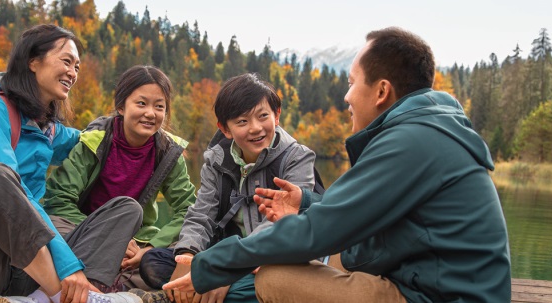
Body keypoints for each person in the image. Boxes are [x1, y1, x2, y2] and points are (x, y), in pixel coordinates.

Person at [163, 27, 511, 302]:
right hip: (439, 279)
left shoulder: (410, 142)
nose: (346, 96)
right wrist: (309, 202)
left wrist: (208, 266)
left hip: (441, 296)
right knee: (332, 256)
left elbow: (316, 232)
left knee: (274, 278)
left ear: (381, 92)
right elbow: (353, 215)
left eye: (351, 82)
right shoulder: (423, 130)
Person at [0, 24, 142, 303]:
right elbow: (5, 192)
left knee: (126, 209)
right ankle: (61, 295)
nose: (73, 72)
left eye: (77, 67)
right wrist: (68, 265)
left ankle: (70, 294)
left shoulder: (46, 130)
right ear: (33, 61)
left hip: (25, 271)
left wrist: (128, 124)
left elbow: (85, 140)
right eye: (66, 61)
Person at [153, 73, 318, 303]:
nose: (256, 128)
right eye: (242, 121)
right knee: (154, 262)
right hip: (224, 250)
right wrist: (187, 256)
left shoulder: (296, 158)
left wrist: (226, 271)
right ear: (225, 128)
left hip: (273, 256)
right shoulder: (217, 159)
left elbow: (280, 226)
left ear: (277, 115)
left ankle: (200, 291)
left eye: (263, 116)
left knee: (256, 286)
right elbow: (202, 214)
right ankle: (201, 288)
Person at [42, 65, 197, 298]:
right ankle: (111, 287)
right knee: (48, 231)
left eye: (159, 106)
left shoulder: (168, 152)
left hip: (136, 243)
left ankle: (107, 286)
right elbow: (58, 200)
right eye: (141, 103)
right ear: (121, 106)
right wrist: (111, 238)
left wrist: (150, 247)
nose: (150, 113)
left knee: (184, 256)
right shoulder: (94, 141)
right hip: (82, 232)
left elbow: (188, 208)